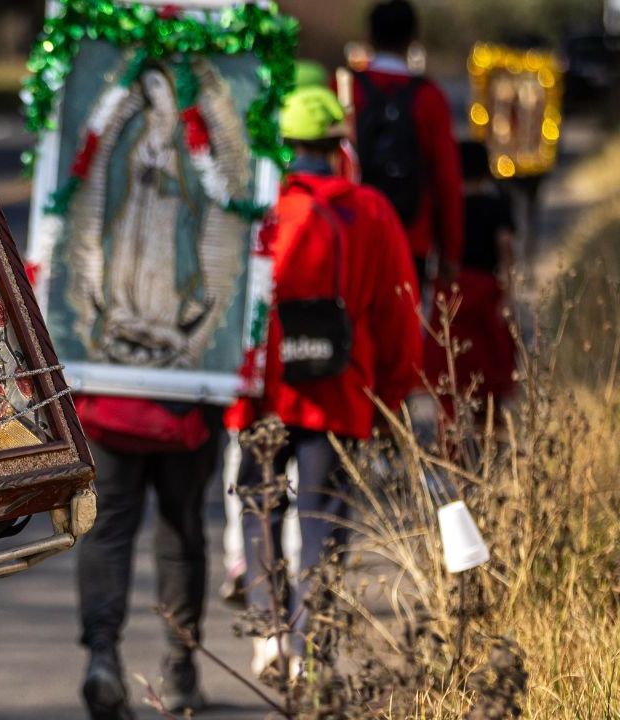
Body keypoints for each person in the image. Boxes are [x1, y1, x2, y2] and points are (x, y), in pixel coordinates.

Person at [225, 86, 420, 678]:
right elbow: (400, 314)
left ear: (280, 145)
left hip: (264, 392)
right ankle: (311, 643)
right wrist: (387, 397)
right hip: (340, 391)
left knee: (260, 505)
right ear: (339, 146)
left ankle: (269, 633)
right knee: (323, 518)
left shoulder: (258, 210)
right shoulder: (372, 212)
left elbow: (226, 305)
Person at [73, 393, 220, 719]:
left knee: (106, 531)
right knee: (181, 529)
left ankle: (103, 657)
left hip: (111, 400)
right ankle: (180, 670)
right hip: (190, 401)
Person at [346, 0, 463, 290]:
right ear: (413, 39)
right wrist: (450, 251)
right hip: (413, 237)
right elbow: (447, 179)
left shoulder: (347, 88)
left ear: (369, 37)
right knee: (407, 328)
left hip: (355, 232)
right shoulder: (429, 97)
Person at [422, 140, 517, 416]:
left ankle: (451, 450)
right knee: (490, 380)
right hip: (486, 295)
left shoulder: (446, 206)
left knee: (451, 377)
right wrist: (508, 294)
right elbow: (506, 248)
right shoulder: (497, 205)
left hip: (451, 296)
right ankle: (492, 443)